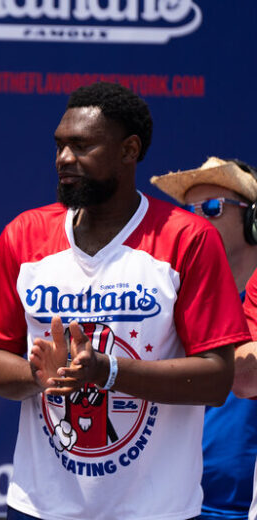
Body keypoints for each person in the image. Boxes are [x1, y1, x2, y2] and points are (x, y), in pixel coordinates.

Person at [0, 82, 248, 520]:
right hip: (39, 507)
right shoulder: (23, 235)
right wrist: (41, 374)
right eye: (59, 146)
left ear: (129, 150)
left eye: (82, 146)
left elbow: (214, 380)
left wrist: (108, 370)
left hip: (157, 510)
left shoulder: (188, 239)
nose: (63, 159)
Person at [151, 157, 257, 519]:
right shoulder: (169, 299)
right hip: (175, 504)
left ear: (253, 221)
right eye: (189, 209)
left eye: (212, 208)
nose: (195, 219)